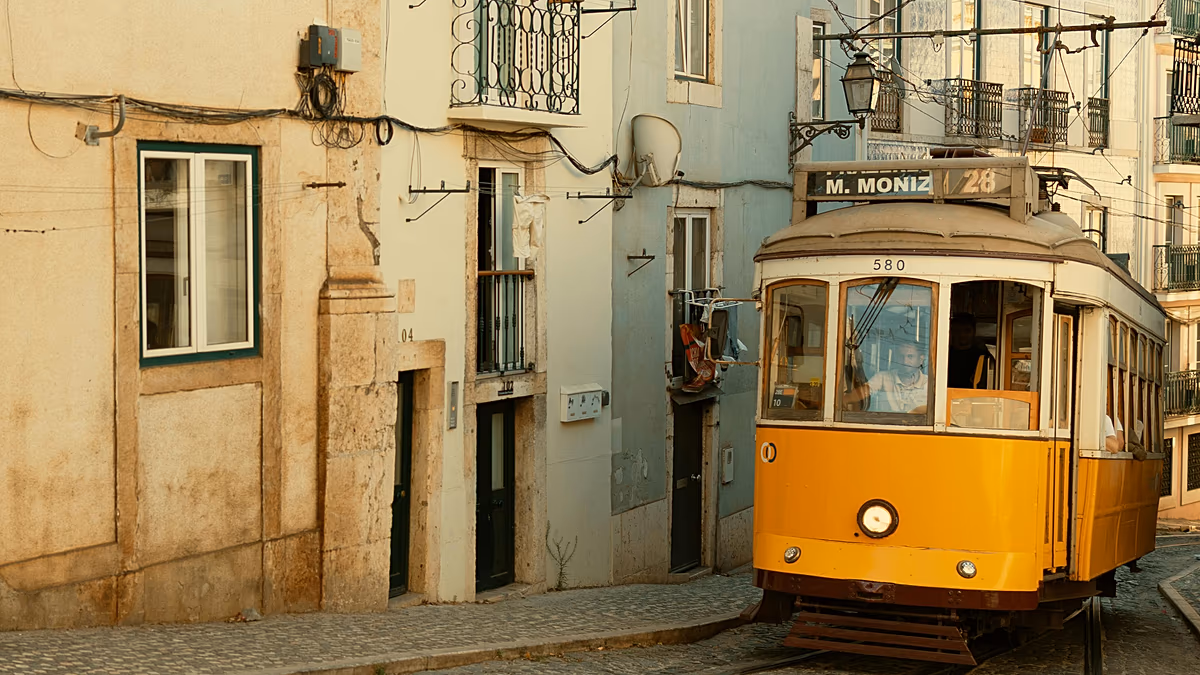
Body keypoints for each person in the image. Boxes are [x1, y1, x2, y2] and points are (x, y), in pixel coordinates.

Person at [845, 342, 929, 414]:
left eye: (910, 356)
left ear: (921, 359)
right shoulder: (883, 377)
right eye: (901, 356)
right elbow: (863, 392)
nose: (905, 361)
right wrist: (844, 400)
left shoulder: (930, 384)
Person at [948, 313, 993, 389]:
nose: (962, 335)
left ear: (974, 332)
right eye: (958, 330)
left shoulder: (982, 355)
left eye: (967, 331)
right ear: (951, 332)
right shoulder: (945, 354)